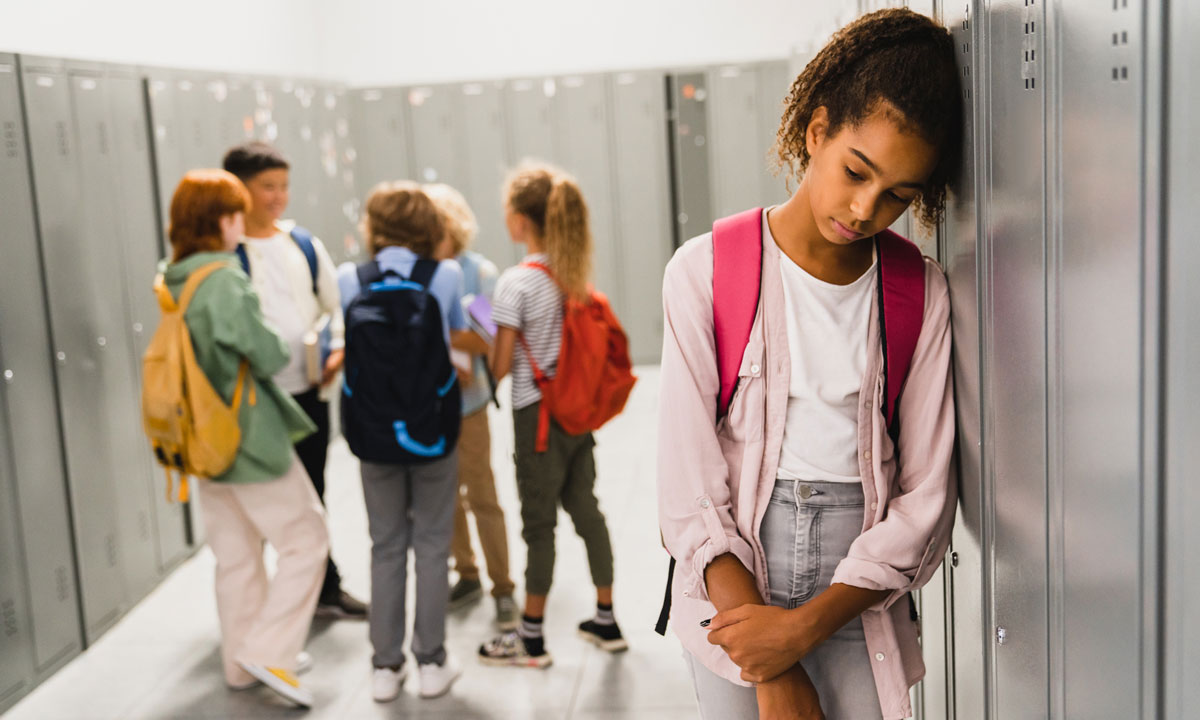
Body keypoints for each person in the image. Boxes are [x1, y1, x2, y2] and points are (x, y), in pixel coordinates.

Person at [656, 9, 962, 720]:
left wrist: (802, 628)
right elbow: (688, 484)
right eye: (857, 171)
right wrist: (772, 666)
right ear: (816, 130)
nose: (864, 208)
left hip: (859, 596)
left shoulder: (922, 293)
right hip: (731, 584)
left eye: (899, 196)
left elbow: (925, 501)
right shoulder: (703, 271)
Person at [160, 169, 329, 708]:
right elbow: (268, 352)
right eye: (236, 213)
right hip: (247, 434)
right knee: (307, 538)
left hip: (200, 439)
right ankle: (271, 650)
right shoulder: (225, 279)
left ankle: (239, 663)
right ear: (221, 220)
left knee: (235, 557)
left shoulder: (174, 277)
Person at [477, 163, 625, 669]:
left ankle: (531, 638)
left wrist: (481, 342)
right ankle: (606, 618)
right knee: (587, 510)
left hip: (535, 417)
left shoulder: (515, 283)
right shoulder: (573, 276)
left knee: (538, 526)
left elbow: (499, 367)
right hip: (576, 414)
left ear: (520, 221)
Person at [222, 141, 367, 620]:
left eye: (284, 186)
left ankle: (325, 589)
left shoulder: (301, 244)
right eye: (268, 187)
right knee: (258, 506)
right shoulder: (225, 254)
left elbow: (335, 306)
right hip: (252, 402)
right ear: (238, 188)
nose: (278, 196)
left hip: (306, 393)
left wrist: (340, 347)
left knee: (313, 496)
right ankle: (266, 603)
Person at [337, 181, 469, 702]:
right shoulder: (447, 274)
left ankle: (384, 669)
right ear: (427, 226)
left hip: (372, 431)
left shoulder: (351, 277)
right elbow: (456, 332)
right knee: (434, 544)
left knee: (385, 546)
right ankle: (432, 662)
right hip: (432, 428)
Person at [425, 183, 519, 631]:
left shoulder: (478, 273)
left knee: (482, 495)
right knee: (444, 497)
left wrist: (435, 337)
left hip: (469, 405)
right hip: (428, 404)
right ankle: (466, 574)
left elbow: (486, 340)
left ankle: (503, 588)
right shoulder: (417, 273)